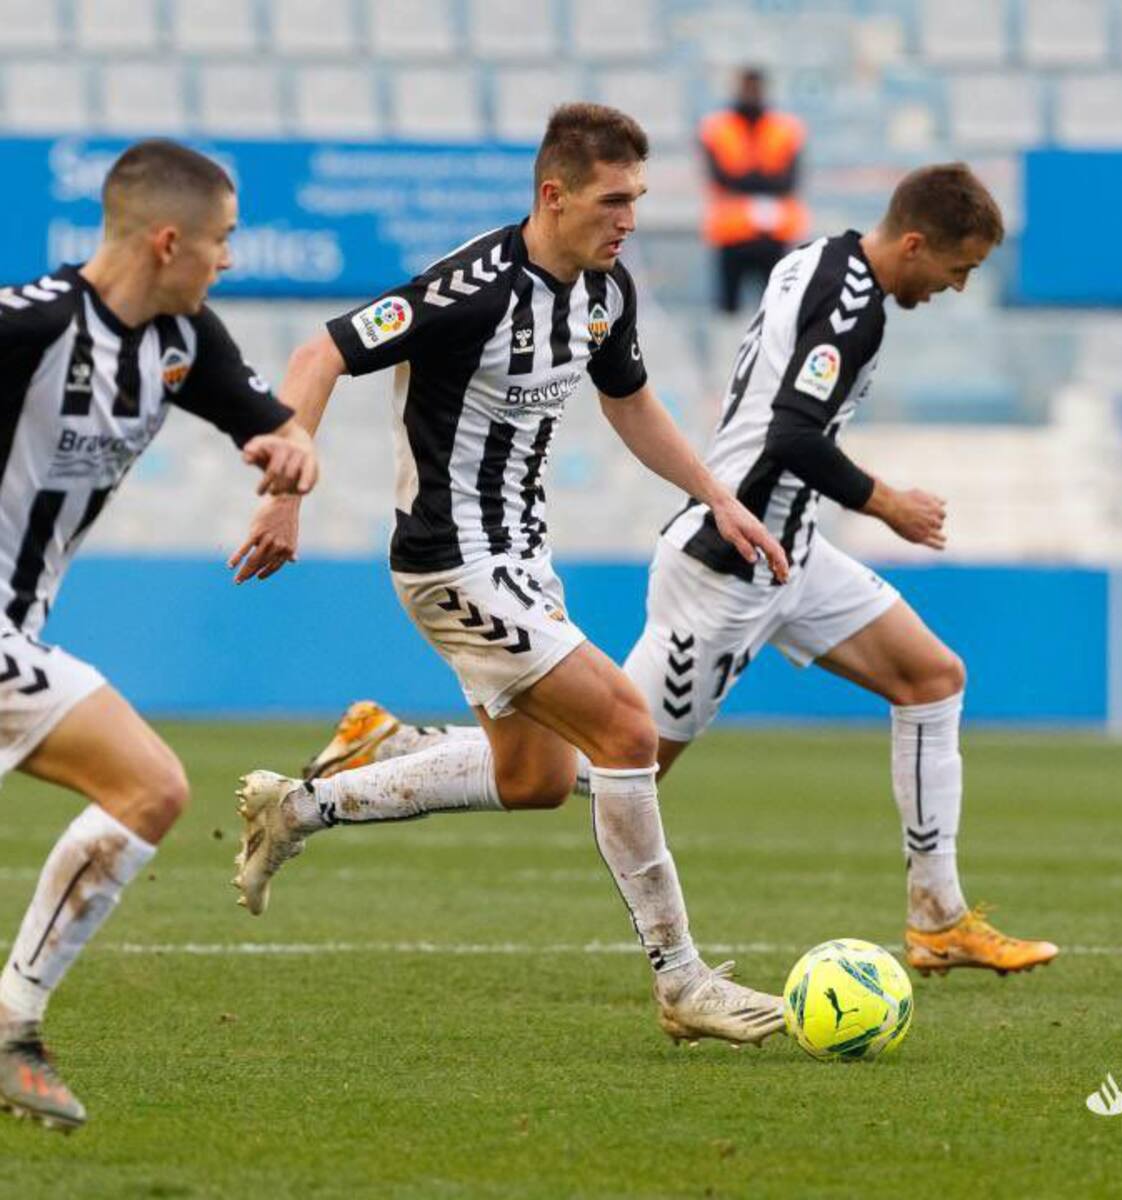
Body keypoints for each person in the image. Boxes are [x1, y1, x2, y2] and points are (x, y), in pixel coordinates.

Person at [304, 164, 1058, 980]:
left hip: (792, 551)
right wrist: (887, 503)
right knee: (616, 762)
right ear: (914, 244)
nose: (957, 285)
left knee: (932, 678)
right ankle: (398, 747)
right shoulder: (850, 312)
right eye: (959, 268)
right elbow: (792, 436)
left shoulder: (815, 259)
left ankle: (938, 916)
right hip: (728, 566)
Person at [230, 104, 789, 1049]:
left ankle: (301, 805)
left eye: (638, 200)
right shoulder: (471, 286)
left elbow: (633, 403)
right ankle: (682, 981)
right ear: (553, 194)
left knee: (533, 778)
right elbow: (318, 352)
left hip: (524, 560)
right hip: (450, 560)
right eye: (614, 200)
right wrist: (284, 486)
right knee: (627, 727)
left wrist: (717, 497)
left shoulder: (606, 293)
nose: (629, 219)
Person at [0, 139, 318, 1132]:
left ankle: (11, 1029)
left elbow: (267, 417)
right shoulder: (29, 328)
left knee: (149, 789)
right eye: (221, 241)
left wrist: (285, 452)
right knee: (151, 784)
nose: (228, 259)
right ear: (169, 239)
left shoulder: (181, 340)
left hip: (16, 628)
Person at [699, 67, 807, 315]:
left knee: (775, 308)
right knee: (727, 309)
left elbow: (789, 182)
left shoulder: (786, 129)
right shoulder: (717, 128)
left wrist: (745, 180)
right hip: (732, 232)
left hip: (774, 233)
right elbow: (720, 178)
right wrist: (764, 180)